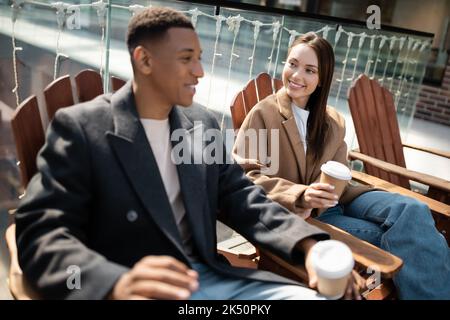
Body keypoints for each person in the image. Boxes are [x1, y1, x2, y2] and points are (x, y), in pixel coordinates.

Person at [14, 7, 365, 300]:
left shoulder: (200, 123)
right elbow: (40, 233)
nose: (200, 71)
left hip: (207, 279)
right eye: (186, 59)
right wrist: (113, 282)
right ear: (145, 60)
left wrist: (309, 245)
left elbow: (240, 196)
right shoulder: (83, 128)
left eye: (198, 59)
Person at [232, 32, 450, 300]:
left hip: (342, 197)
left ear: (322, 78)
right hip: (307, 214)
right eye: (292, 64)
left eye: (309, 70)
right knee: (408, 237)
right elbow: (245, 176)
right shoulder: (263, 115)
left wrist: (333, 184)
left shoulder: (333, 121)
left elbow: (340, 172)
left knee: (414, 210)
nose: (297, 75)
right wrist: (300, 194)